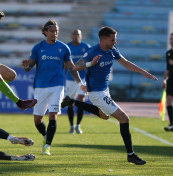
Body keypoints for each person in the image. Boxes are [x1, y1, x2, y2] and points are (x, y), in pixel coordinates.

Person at [63, 26, 158, 165]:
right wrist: (91, 63)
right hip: (96, 93)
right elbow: (76, 66)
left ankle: (72, 102)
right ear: (103, 39)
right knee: (124, 118)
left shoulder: (112, 50)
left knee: (104, 116)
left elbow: (125, 63)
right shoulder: (93, 51)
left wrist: (143, 72)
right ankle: (131, 154)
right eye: (112, 39)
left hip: (104, 91)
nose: (115, 42)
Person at [22, 20, 86, 155]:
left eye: (56, 31)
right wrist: (26, 66)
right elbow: (29, 67)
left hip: (57, 86)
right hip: (40, 87)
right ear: (45, 32)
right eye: (51, 31)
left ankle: (47, 146)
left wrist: (80, 83)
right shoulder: (38, 48)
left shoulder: (64, 48)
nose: (54, 33)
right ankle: (46, 135)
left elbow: (71, 68)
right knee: (37, 120)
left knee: (52, 115)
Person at [63, 29, 91, 134]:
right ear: (71, 36)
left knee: (81, 100)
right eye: (74, 34)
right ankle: (71, 125)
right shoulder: (67, 47)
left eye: (78, 34)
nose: (76, 36)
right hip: (70, 78)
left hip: (83, 78)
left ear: (81, 36)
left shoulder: (86, 47)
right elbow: (63, 63)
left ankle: (78, 125)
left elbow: (90, 61)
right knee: (70, 102)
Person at [163, 33, 173, 131]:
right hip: (171, 81)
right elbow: (168, 69)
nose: (171, 40)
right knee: (169, 100)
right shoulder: (168, 53)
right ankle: (171, 123)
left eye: (172, 38)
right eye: (170, 38)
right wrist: (164, 79)